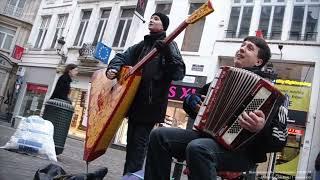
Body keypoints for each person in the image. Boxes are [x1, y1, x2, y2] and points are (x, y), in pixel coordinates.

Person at [144, 36, 288, 180]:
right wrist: (191, 101)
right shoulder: (223, 77)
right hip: (208, 140)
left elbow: (280, 141)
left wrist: (261, 129)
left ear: (258, 61)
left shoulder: (273, 95)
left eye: (249, 48)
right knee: (159, 136)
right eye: (242, 45)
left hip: (242, 152)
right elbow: (194, 101)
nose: (242, 48)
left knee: (198, 148)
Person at [106, 12, 185, 176]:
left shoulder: (170, 45)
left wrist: (167, 54)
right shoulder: (141, 46)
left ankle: (130, 177)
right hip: (133, 104)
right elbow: (122, 56)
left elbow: (178, 73)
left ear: (164, 26)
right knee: (131, 146)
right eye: (151, 18)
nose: (151, 20)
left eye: (156, 19)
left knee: (138, 147)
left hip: (150, 107)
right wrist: (113, 68)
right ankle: (128, 177)